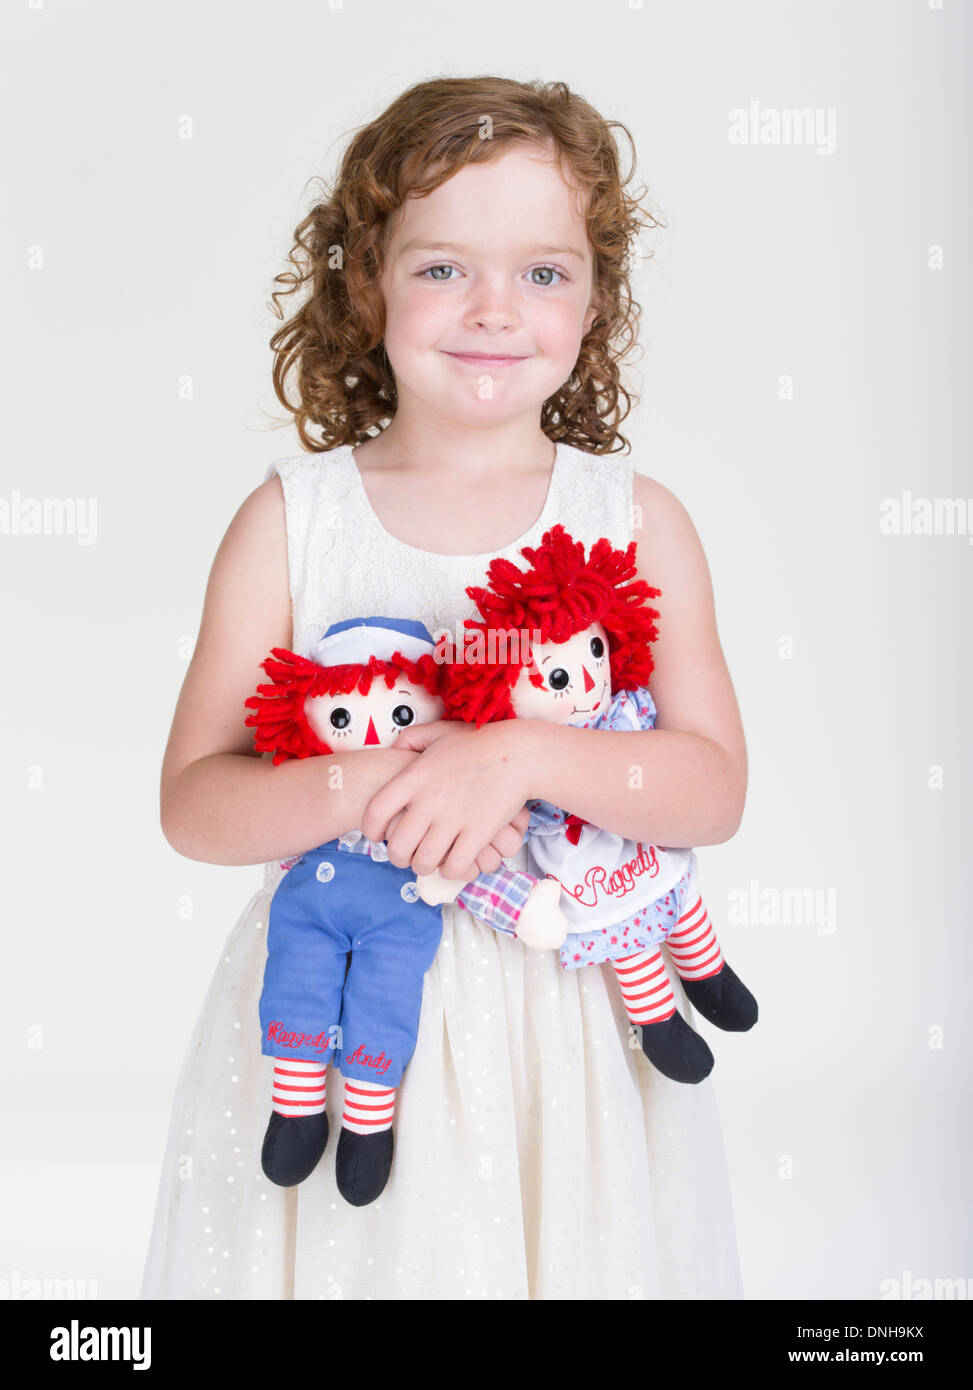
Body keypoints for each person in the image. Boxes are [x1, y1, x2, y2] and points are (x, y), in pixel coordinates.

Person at [142, 75, 748, 1300]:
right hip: (351, 995)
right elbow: (197, 804)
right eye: (438, 269)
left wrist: (517, 755)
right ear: (366, 286)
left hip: (566, 1015)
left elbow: (709, 787)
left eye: (542, 271)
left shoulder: (635, 522)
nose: (491, 308)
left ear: (594, 296)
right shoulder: (292, 525)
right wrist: (374, 779)